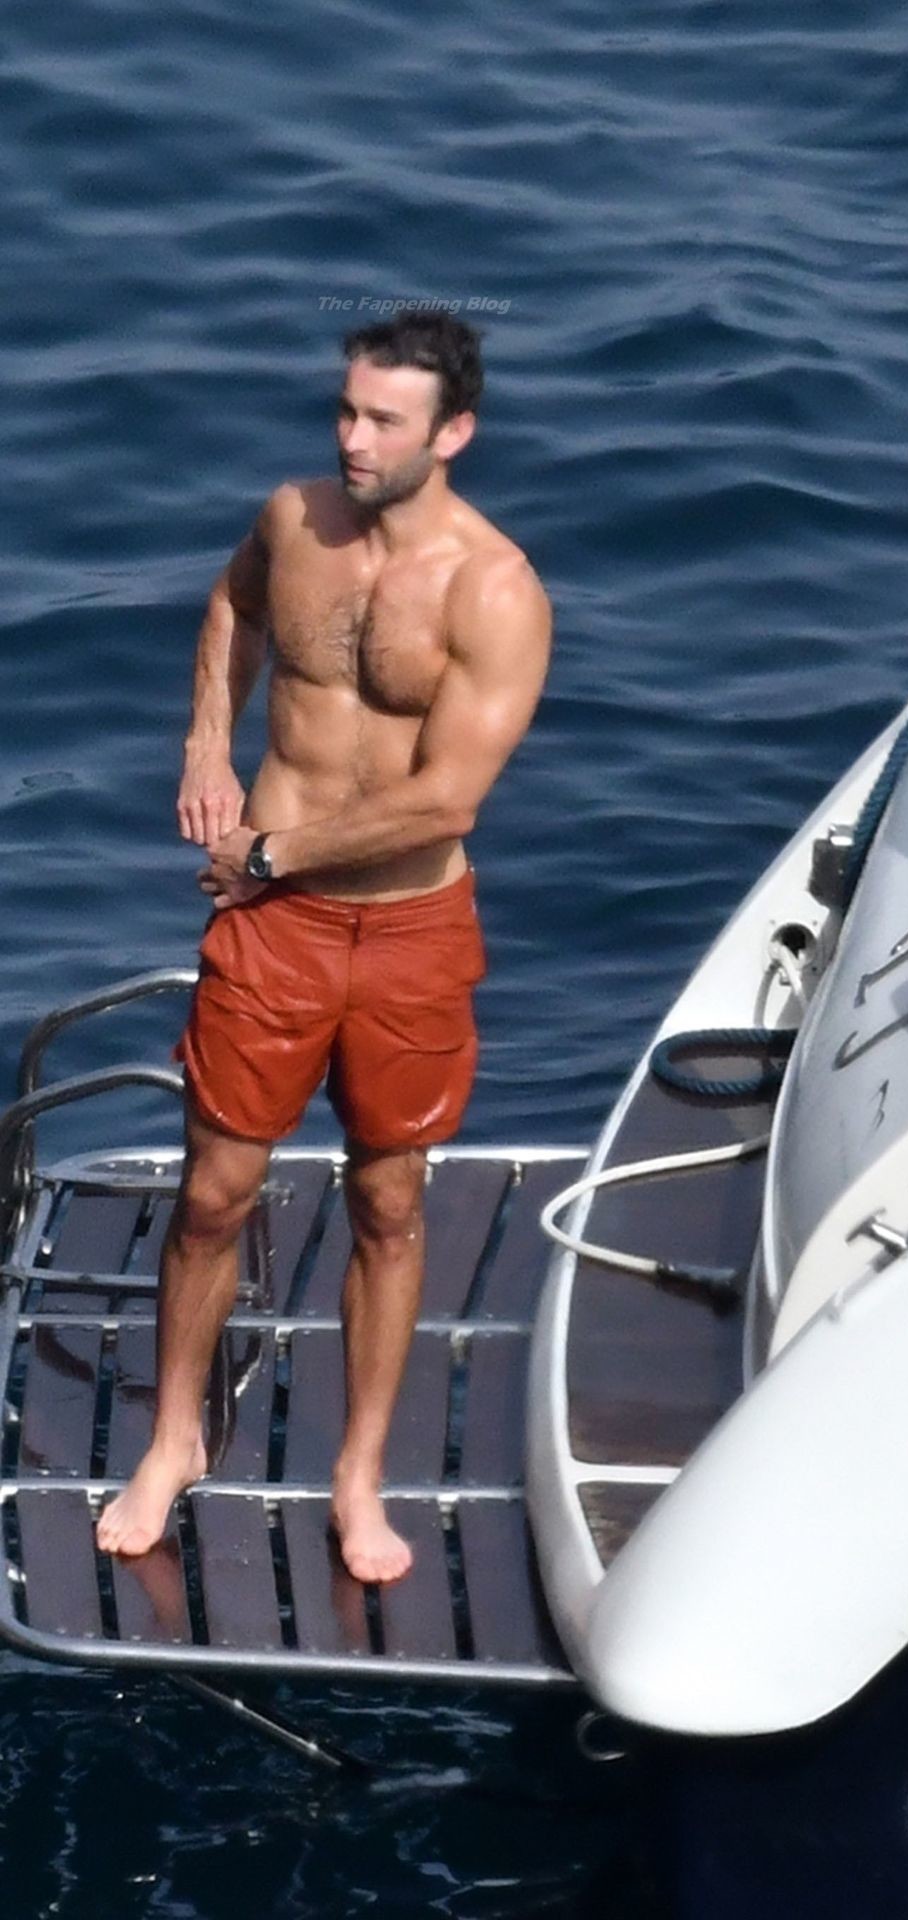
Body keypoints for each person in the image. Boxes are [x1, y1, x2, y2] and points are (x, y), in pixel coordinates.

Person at [95, 309, 552, 1582]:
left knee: (390, 1203)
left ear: (453, 434)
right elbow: (235, 605)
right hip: (276, 925)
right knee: (212, 1194)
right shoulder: (295, 521)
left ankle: (358, 1476)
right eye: (346, 411)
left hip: (404, 926)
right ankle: (176, 1438)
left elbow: (445, 801)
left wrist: (269, 854)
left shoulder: (494, 590)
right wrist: (206, 745)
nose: (353, 439)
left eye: (384, 421)